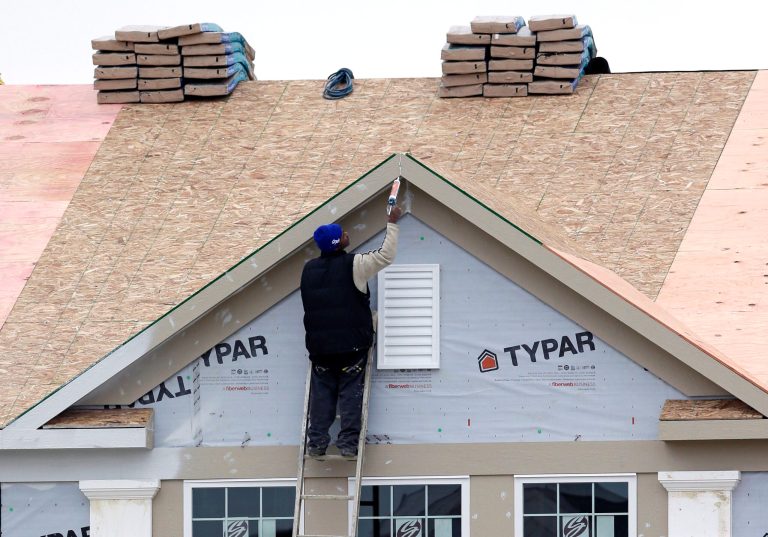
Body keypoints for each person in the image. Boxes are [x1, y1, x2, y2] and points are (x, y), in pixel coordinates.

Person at [300, 205, 402, 460]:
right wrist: (392, 222)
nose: (347, 234)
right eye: (343, 234)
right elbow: (385, 256)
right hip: (351, 347)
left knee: (322, 395)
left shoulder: (308, 270)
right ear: (338, 243)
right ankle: (347, 444)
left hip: (320, 349)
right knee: (350, 394)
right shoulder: (354, 264)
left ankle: (316, 443)